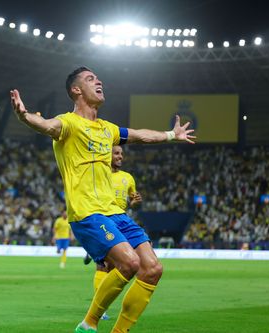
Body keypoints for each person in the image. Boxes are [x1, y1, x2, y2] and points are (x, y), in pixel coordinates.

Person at [11, 66, 195, 333]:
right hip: (87, 213)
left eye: (98, 79)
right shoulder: (69, 123)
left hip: (116, 214)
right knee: (129, 263)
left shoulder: (107, 130)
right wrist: (24, 115)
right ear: (76, 90)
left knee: (152, 269)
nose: (99, 82)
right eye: (90, 79)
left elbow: (140, 135)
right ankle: (89, 323)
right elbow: (47, 125)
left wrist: (170, 135)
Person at [84, 145, 143, 320]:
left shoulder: (128, 178)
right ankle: (100, 312)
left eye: (121, 154)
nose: (120, 157)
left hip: (121, 219)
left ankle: (90, 252)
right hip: (102, 219)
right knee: (103, 265)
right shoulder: (97, 174)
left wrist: (136, 202)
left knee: (119, 266)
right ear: (106, 155)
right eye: (116, 153)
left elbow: (133, 201)